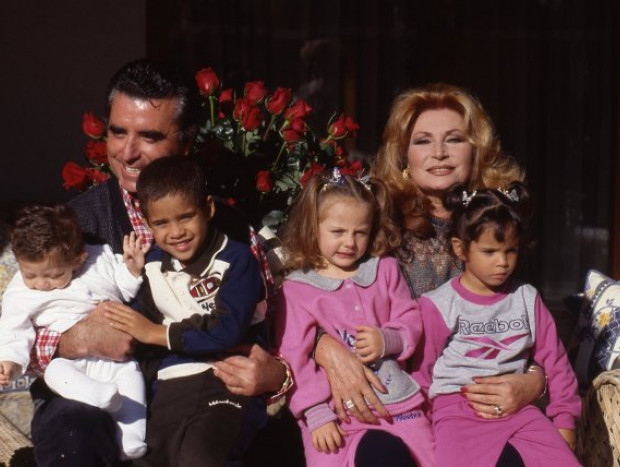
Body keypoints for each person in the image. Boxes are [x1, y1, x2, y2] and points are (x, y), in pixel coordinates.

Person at [27, 58, 288, 466]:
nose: (128, 152)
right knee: (73, 430)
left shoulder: (229, 227)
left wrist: (278, 375)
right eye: (118, 132)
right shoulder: (75, 226)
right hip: (91, 395)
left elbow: (273, 320)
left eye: (149, 136)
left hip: (189, 393)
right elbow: (16, 328)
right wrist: (74, 340)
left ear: (185, 143)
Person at [312, 83, 547, 464]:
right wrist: (325, 347)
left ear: (477, 150)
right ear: (404, 154)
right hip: (396, 404)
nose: (438, 153)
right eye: (423, 141)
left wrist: (534, 381)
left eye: (454, 139)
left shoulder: (502, 225)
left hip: (481, 405)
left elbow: (542, 325)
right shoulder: (373, 223)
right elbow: (313, 293)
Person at [102, 156, 267, 466]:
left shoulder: (237, 260)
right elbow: (138, 327)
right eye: (162, 223)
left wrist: (158, 334)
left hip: (227, 379)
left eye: (186, 217)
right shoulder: (151, 266)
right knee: (147, 457)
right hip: (171, 383)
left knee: (201, 457)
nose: (176, 231)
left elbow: (227, 329)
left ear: (209, 208)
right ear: (148, 222)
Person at [414, 182, 580, 466]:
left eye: (511, 251)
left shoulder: (526, 298)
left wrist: (565, 421)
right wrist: (421, 432)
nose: (503, 262)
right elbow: (421, 373)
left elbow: (557, 363)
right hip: (457, 415)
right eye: (490, 252)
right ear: (460, 248)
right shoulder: (438, 305)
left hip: (520, 413)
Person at [276, 169, 434, 467]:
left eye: (360, 232)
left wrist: (388, 339)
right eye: (338, 232)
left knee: (431, 458)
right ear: (314, 227)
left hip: (399, 405)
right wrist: (315, 413)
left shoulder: (384, 270)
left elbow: (409, 317)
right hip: (336, 414)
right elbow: (294, 355)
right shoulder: (298, 289)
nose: (349, 242)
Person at [0, 204, 148, 460]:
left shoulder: (99, 259)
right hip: (70, 365)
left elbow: (123, 289)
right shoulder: (20, 292)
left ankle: (131, 438)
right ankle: (100, 396)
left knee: (131, 378)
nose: (41, 284)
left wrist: (131, 271)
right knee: (55, 373)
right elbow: (13, 329)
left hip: (114, 362)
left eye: (55, 275)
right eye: (30, 274)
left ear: (78, 259)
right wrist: (10, 363)